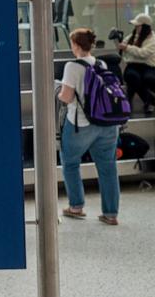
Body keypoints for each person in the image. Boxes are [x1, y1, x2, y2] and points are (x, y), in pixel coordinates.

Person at [58, 28, 120, 225]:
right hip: (108, 124)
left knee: (70, 162)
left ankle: (76, 206)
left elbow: (67, 97)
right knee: (108, 167)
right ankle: (110, 214)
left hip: (81, 125)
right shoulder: (101, 63)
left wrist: (58, 90)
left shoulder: (72, 66)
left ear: (75, 45)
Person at [119, 13, 155, 114]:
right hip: (133, 66)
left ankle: (148, 102)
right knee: (132, 77)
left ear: (144, 27)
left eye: (138, 25)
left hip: (148, 66)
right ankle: (149, 101)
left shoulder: (152, 39)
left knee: (148, 78)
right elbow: (124, 45)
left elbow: (143, 53)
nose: (136, 27)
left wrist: (128, 48)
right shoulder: (132, 36)